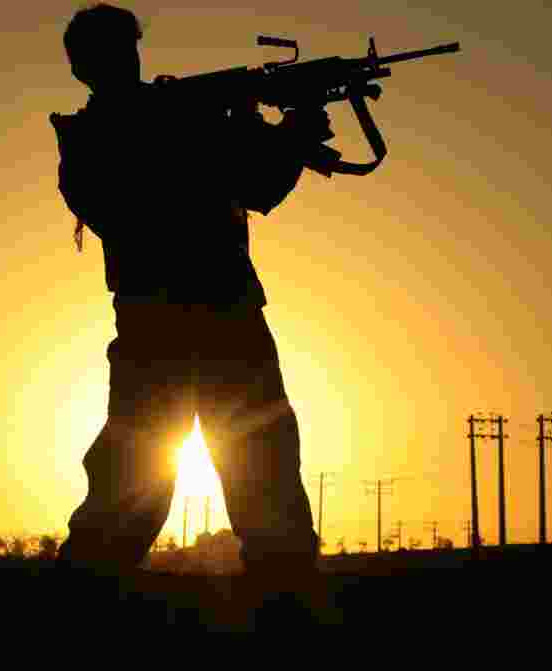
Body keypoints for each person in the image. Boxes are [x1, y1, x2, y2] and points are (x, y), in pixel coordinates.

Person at [50, 4, 328, 580]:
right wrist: (252, 130)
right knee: (132, 489)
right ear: (82, 68)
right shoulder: (90, 141)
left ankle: (290, 608)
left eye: (125, 49)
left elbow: (260, 184)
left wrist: (290, 130)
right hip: (166, 328)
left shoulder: (183, 114)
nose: (122, 62)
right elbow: (133, 204)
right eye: (106, 53)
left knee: (264, 480)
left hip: (221, 322)